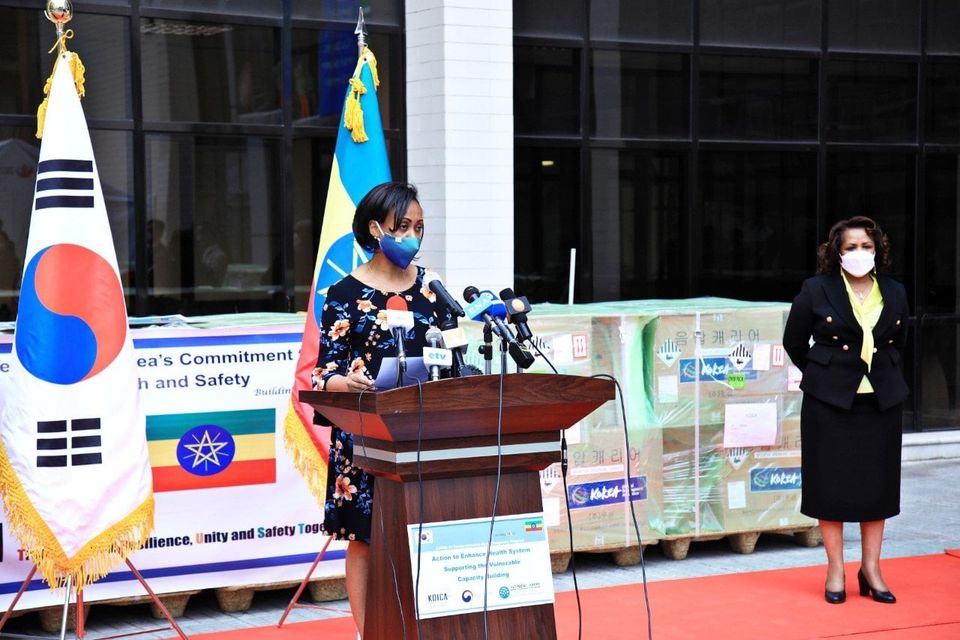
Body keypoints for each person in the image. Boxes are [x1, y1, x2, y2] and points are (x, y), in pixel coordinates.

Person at [311, 181, 446, 637]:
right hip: (365, 434)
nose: (412, 236)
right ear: (375, 229)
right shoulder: (344, 293)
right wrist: (346, 383)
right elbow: (323, 373)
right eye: (402, 226)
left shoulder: (431, 288)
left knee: (426, 532)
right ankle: (368, 632)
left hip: (425, 431)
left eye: (419, 227)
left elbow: (453, 354)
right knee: (365, 538)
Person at [783, 216, 909, 606]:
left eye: (866, 246)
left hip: (881, 401)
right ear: (837, 251)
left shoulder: (895, 291)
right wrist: (825, 375)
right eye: (851, 246)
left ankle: (871, 568)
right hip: (829, 403)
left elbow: (900, 341)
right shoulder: (816, 289)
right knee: (830, 485)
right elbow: (793, 341)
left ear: (877, 249)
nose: (859, 253)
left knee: (878, 487)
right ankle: (835, 568)